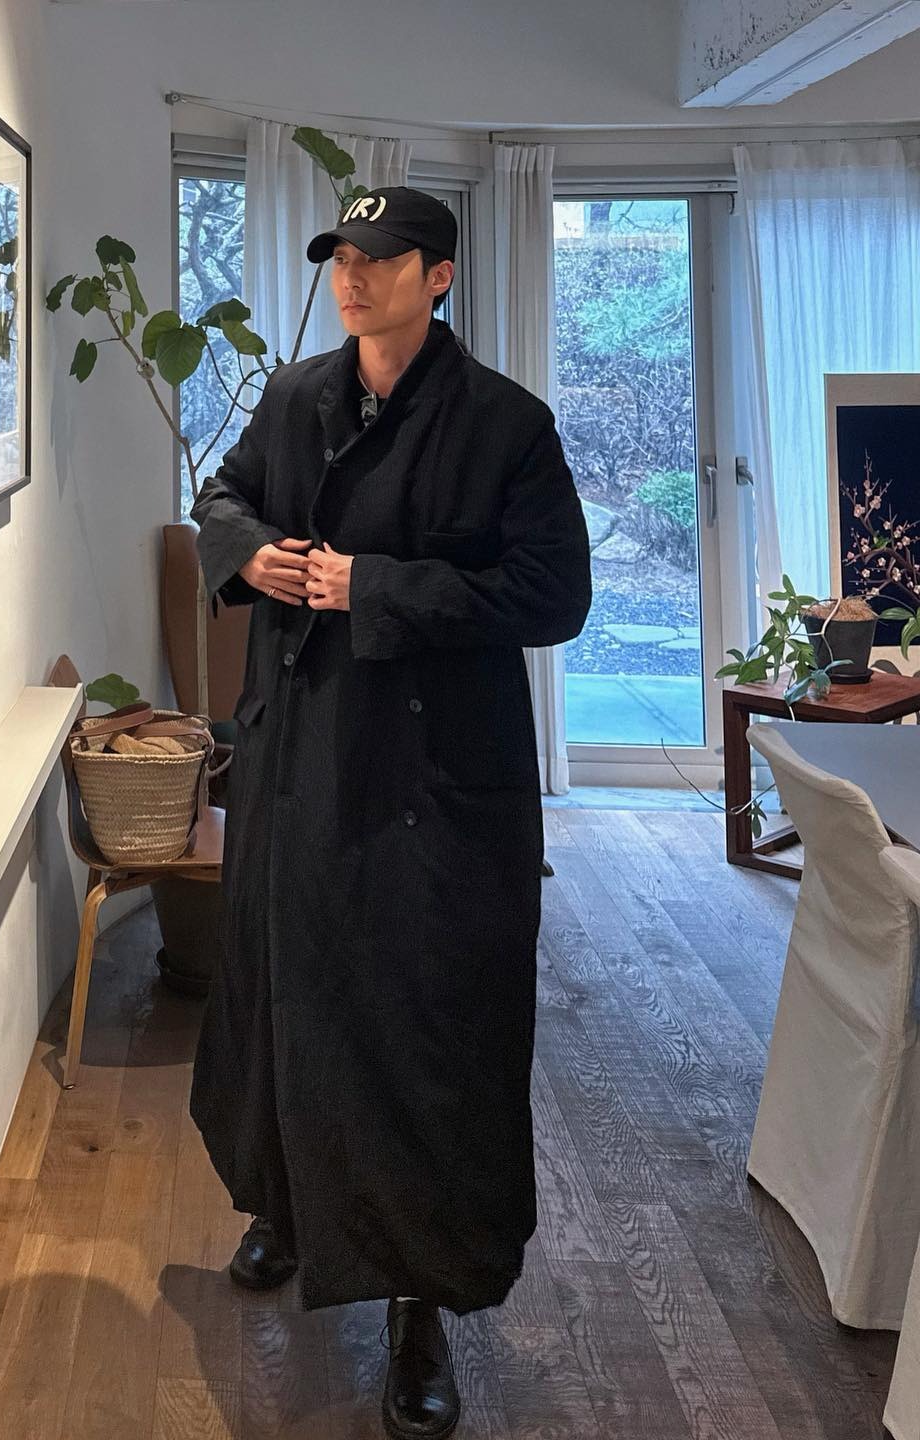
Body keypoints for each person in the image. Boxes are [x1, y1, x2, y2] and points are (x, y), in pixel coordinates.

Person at [187, 186, 592, 1439]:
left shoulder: (506, 424)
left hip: (431, 783)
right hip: (297, 755)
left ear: (440, 276)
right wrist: (248, 554)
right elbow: (221, 496)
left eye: (379, 258)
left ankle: (424, 1306)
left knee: (430, 1030)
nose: (352, 277)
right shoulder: (292, 395)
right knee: (286, 993)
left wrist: (376, 588)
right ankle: (287, 1208)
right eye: (340, 258)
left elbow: (554, 595)